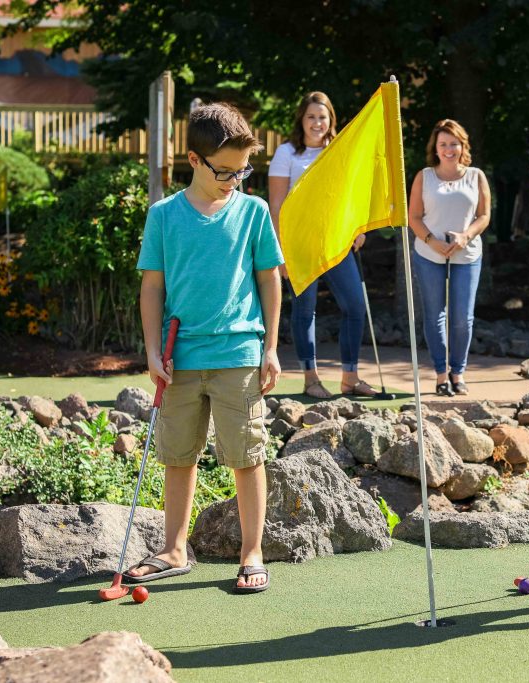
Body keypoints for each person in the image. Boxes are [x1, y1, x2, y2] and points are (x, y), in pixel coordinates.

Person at [129, 103, 283, 594]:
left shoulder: (253, 212)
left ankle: (251, 552)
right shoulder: (165, 216)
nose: (233, 180)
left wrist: (272, 348)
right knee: (179, 455)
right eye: (223, 171)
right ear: (193, 160)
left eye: (242, 171)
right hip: (180, 357)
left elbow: (269, 280)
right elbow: (152, 287)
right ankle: (175, 548)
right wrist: (153, 351)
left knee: (246, 456)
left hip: (240, 354)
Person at [268, 91, 377, 399]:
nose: (317, 122)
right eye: (311, 117)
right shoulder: (287, 153)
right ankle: (311, 379)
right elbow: (276, 206)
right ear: (301, 120)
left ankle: (350, 378)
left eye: (322, 116)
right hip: (300, 245)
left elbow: (350, 196)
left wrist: (358, 228)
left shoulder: (338, 151)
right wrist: (280, 252)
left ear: (331, 120)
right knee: (305, 311)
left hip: (337, 244)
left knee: (355, 306)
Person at [408, 119, 491, 396]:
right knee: (434, 317)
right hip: (428, 254)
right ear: (436, 147)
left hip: (466, 255)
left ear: (462, 145)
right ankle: (441, 375)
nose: (448, 149)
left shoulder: (476, 176)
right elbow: (414, 217)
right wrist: (432, 241)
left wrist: (465, 236)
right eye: (443, 144)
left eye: (453, 143)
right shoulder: (425, 176)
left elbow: (484, 215)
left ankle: (459, 372)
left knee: (462, 318)